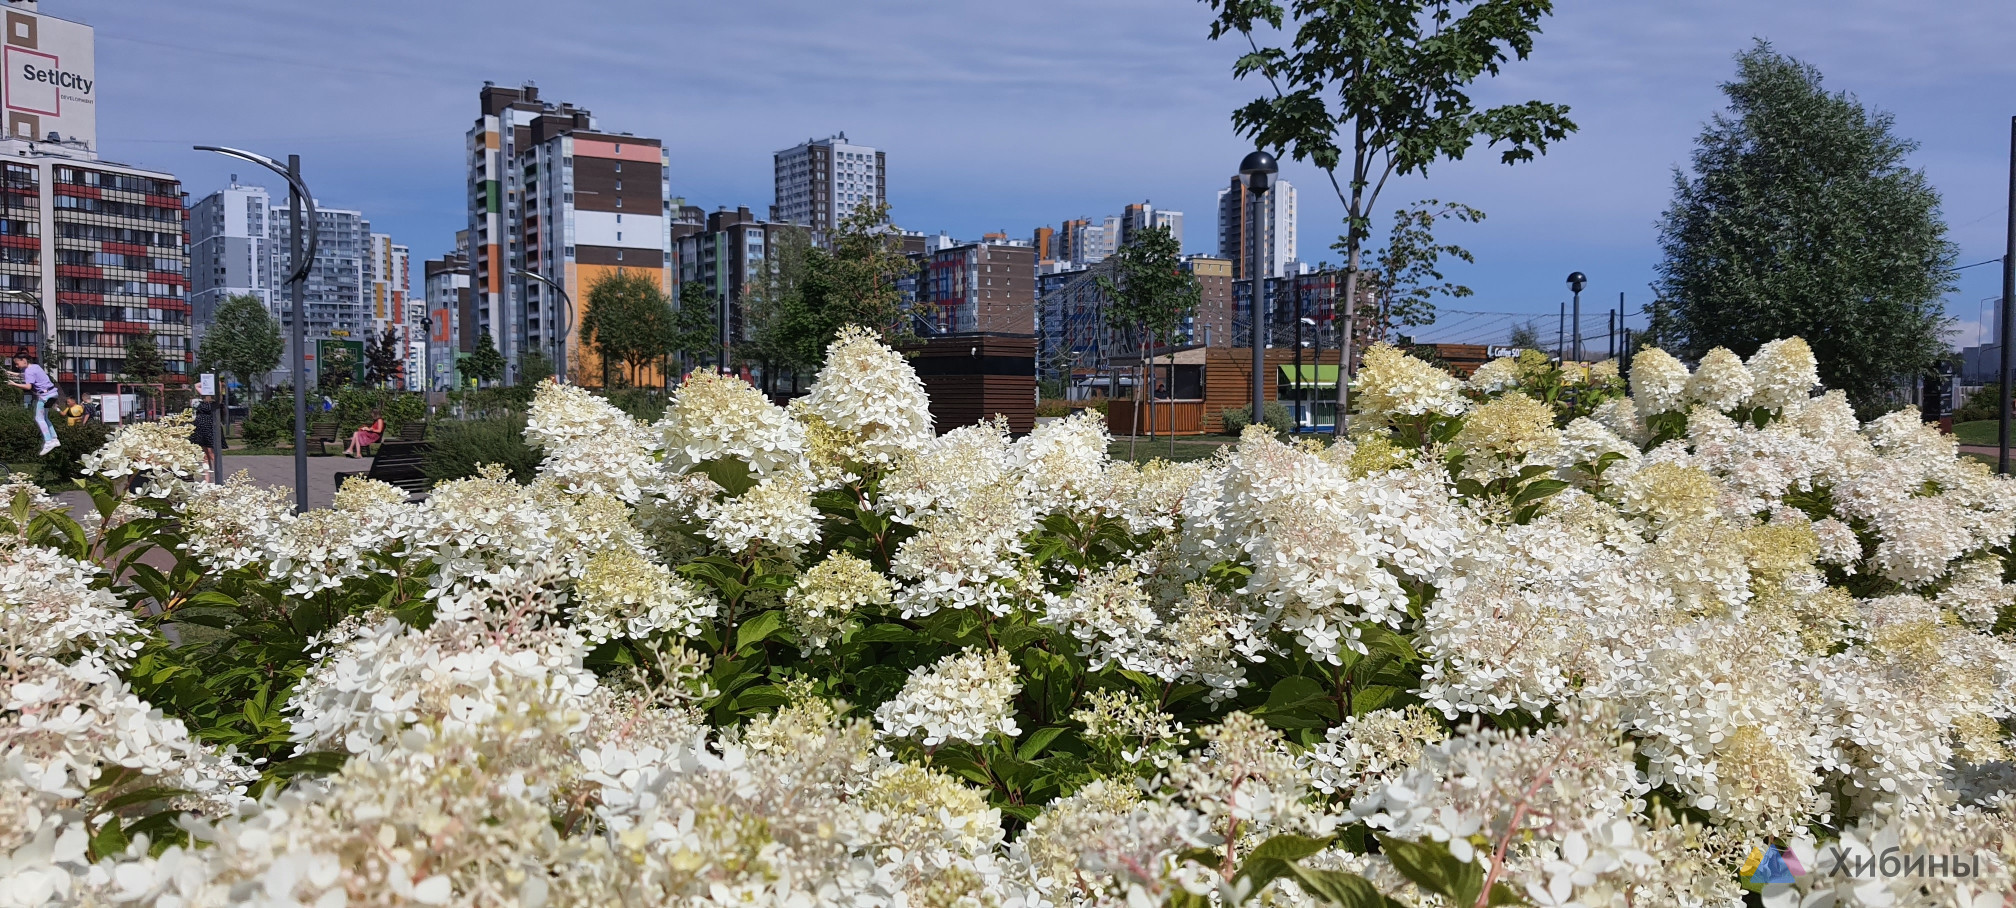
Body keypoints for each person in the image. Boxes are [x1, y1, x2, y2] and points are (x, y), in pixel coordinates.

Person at [7, 351, 59, 455]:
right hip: (53, 394)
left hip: (45, 397)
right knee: (45, 418)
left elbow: (28, 386)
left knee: (39, 418)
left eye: (17, 363)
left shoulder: (28, 372)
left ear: (24, 360)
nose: (17, 366)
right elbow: (27, 375)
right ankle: (54, 439)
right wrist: (12, 373)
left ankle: (48, 441)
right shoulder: (35, 367)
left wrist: (14, 384)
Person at [191, 396, 219, 481]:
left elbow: (219, 386)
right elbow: (197, 385)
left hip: (208, 429)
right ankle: (207, 478)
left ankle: (218, 476)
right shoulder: (199, 402)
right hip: (200, 429)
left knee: (211, 453)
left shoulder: (214, 403)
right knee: (204, 455)